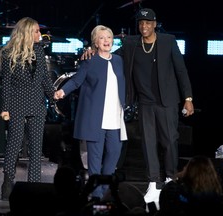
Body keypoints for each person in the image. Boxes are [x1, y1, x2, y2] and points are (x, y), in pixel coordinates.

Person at [81, 8, 194, 209]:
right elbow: (108, 55)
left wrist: (188, 98)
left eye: (148, 23)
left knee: (169, 141)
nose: (144, 26)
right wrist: (91, 50)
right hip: (145, 102)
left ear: (154, 23)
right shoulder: (131, 43)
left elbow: (180, 69)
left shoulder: (168, 41)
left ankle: (169, 180)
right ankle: (153, 184)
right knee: (148, 143)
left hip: (167, 101)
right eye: (141, 23)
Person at [54, 25, 127, 201]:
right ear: (95, 42)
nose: (106, 41)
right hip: (95, 117)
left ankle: (104, 189)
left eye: (109, 37)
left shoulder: (118, 60)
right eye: (102, 38)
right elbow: (77, 81)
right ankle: (97, 195)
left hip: (115, 116)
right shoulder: (90, 60)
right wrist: (62, 92)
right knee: (94, 158)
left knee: (114, 152)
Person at [0, 17, 56, 200]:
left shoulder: (39, 51)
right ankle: (7, 182)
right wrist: (5, 108)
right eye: (37, 31)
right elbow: (6, 84)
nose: (40, 34)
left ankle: (34, 187)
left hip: (37, 105)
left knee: (36, 149)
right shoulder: (9, 54)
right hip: (17, 104)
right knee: (14, 145)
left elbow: (45, 79)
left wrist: (54, 95)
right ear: (27, 33)